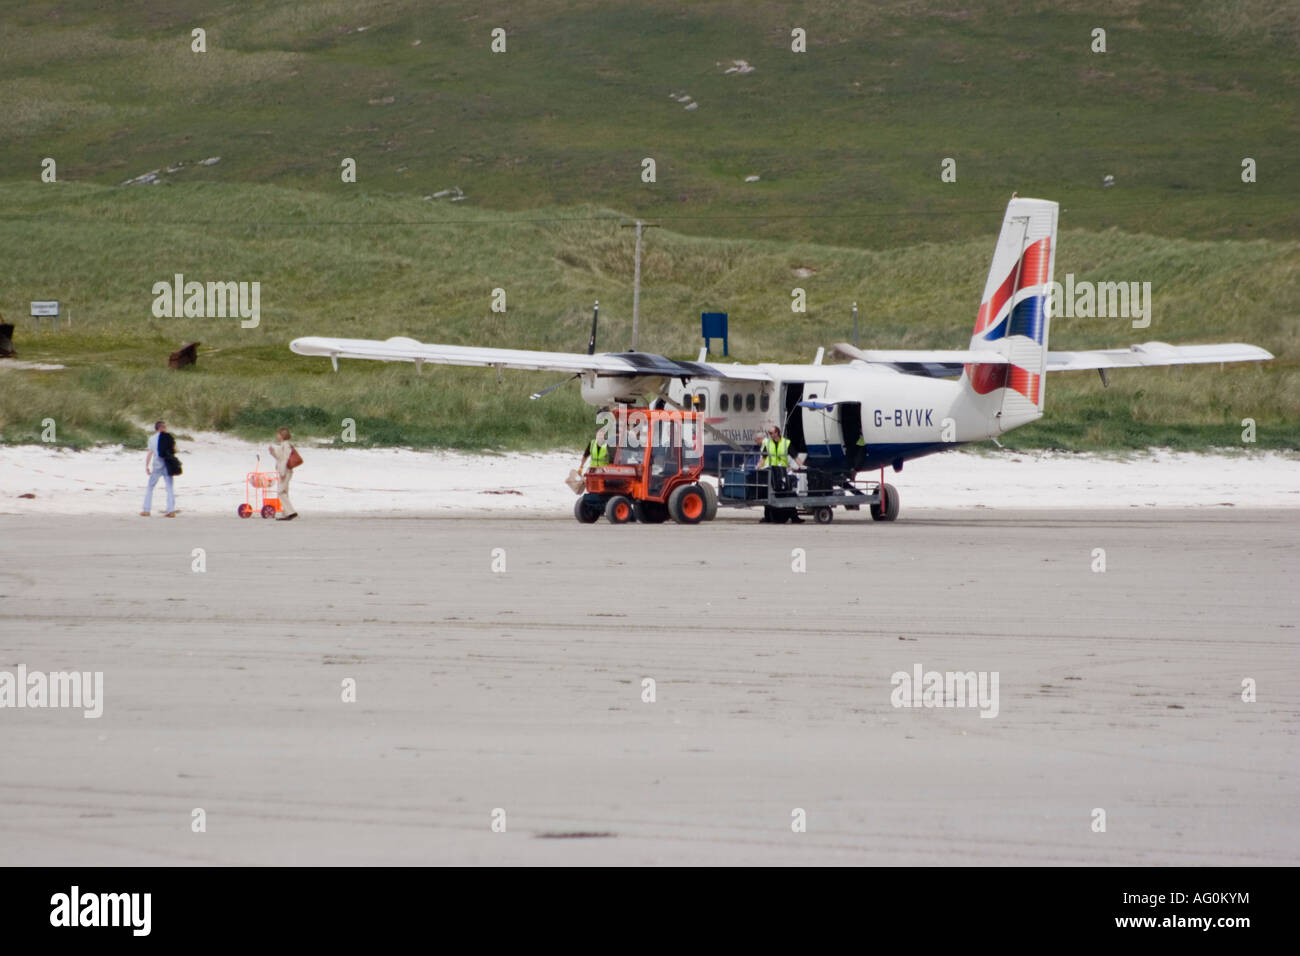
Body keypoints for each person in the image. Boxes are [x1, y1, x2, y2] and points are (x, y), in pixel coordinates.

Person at [758, 425, 803, 523]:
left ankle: (794, 517)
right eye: (769, 433)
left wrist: (802, 466)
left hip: (782, 471)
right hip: (772, 471)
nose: (770, 435)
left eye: (772, 433)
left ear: (777, 433)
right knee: (769, 493)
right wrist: (759, 467)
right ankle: (768, 517)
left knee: (787, 492)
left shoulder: (786, 443)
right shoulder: (768, 443)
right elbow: (764, 457)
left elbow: (794, 456)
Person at [140, 420, 177, 517]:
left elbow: (150, 452)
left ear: (156, 428)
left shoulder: (152, 439)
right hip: (167, 464)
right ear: (162, 428)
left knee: (150, 487)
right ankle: (171, 510)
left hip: (157, 464)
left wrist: (147, 466)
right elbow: (174, 450)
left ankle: (146, 509)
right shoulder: (169, 437)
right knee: (169, 487)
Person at [267, 426, 300, 521]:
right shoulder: (283, 445)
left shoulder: (286, 445)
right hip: (284, 470)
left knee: (280, 492)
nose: (277, 436)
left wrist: (282, 471)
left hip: (285, 471)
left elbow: (285, 459)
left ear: (281, 435)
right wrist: (273, 452)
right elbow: (279, 458)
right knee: (284, 492)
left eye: (278, 434)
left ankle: (291, 512)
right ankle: (286, 513)